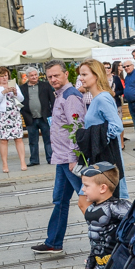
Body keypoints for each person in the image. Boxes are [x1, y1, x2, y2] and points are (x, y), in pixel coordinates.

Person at [32, 60, 87, 254]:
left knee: (88, 200)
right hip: (61, 157)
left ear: (66, 74)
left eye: (56, 75)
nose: (53, 79)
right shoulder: (61, 95)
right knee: (60, 201)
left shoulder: (70, 96)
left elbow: (76, 127)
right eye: (50, 77)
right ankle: (54, 242)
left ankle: (107, 241)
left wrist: (74, 158)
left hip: (69, 159)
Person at [78, 59, 128, 200]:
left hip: (106, 158)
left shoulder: (102, 98)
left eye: (84, 74)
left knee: (96, 202)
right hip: (101, 158)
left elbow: (117, 125)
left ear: (96, 75)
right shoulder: (97, 98)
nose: (81, 78)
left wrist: (98, 140)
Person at [0, 67, 27, 173]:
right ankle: (5, 164)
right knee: (4, 140)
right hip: (2, 115)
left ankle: (23, 162)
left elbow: (21, 99)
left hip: (14, 113)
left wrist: (15, 92)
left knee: (18, 138)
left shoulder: (14, 85)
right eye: (2, 76)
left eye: (6, 75)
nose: (5, 78)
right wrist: (3, 92)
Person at [19, 67, 55, 167]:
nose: (34, 77)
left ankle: (50, 158)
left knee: (48, 139)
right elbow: (20, 102)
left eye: (36, 75)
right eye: (32, 75)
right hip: (30, 118)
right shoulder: (22, 88)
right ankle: (34, 160)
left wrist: (53, 113)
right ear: (27, 77)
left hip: (44, 117)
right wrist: (24, 114)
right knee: (32, 141)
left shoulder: (45, 85)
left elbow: (52, 99)